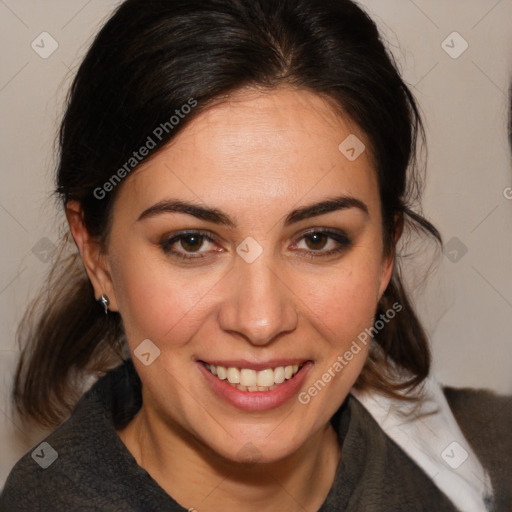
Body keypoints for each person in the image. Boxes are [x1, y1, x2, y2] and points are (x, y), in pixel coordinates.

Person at [1, 0, 511, 510]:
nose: (261, 320)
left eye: (317, 239)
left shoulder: (487, 456)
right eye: (193, 241)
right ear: (97, 256)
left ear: (385, 254)